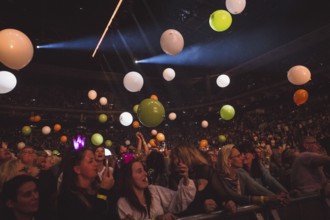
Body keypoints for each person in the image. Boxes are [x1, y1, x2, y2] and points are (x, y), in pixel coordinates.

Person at [116, 158, 196, 220]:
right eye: (139, 171)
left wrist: (186, 179)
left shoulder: (154, 191)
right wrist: (158, 218)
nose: (145, 173)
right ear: (129, 178)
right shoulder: (123, 203)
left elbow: (178, 201)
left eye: (144, 170)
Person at [57, 145, 115, 220]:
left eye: (94, 160)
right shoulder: (68, 197)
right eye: (90, 161)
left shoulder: (96, 186)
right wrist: (103, 191)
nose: (96, 164)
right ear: (77, 169)